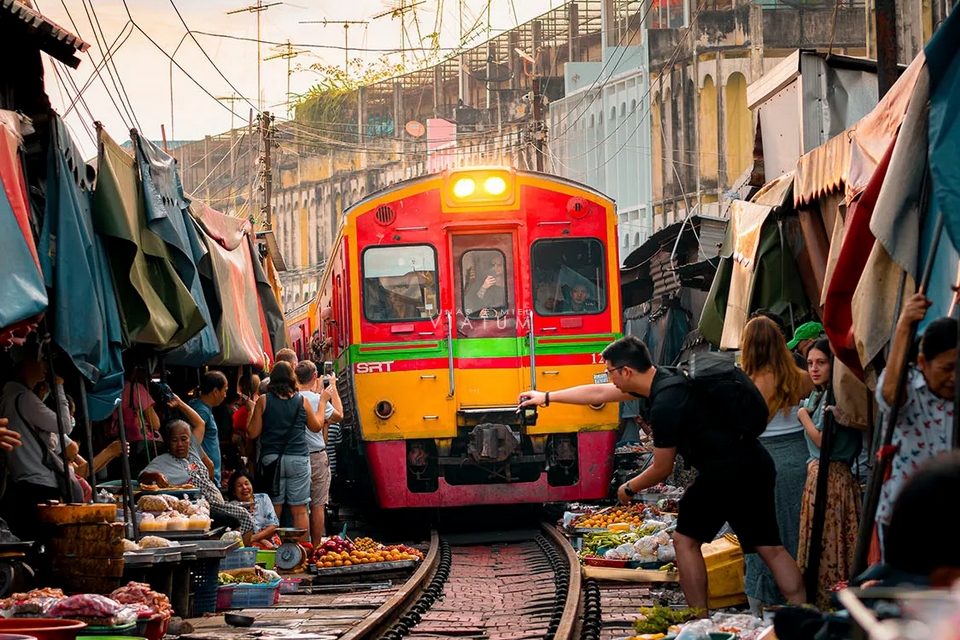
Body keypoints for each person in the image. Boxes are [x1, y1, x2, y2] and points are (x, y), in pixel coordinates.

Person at [518, 336, 806, 613]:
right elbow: (598, 394)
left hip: (723, 473)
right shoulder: (668, 377)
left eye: (610, 373)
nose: (609, 380)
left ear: (627, 371)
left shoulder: (665, 404)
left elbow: (661, 467)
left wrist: (628, 488)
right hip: (754, 463)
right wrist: (545, 397)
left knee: (685, 541)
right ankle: (805, 611)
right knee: (771, 548)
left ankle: (698, 620)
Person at [739, 316, 814, 610]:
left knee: (763, 540)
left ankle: (763, 608)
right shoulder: (802, 377)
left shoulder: (745, 384)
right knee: (800, 532)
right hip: (802, 459)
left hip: (761, 462)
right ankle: (802, 601)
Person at [873, 293, 956, 560]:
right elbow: (888, 394)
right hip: (908, 518)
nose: (954, 378)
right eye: (947, 368)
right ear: (923, 363)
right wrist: (904, 325)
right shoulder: (907, 388)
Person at [795, 339, 862, 609]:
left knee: (832, 548)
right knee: (818, 549)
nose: (814, 369)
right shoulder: (818, 395)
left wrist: (803, 416)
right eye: (810, 363)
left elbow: (823, 442)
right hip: (817, 479)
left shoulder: (839, 397)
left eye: (821, 362)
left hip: (834, 482)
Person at [139, 420, 255, 544]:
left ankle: (243, 552)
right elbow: (142, 477)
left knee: (246, 513)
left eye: (184, 439)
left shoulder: (193, 451)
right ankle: (240, 554)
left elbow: (199, 422)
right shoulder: (162, 461)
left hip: (218, 503)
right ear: (168, 442)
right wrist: (156, 476)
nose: (180, 444)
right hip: (198, 507)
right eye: (174, 440)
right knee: (241, 516)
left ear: (190, 440)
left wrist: (178, 403)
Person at [0, 348, 75, 540]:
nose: (45, 366)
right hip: (37, 485)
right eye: (40, 360)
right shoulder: (23, 397)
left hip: (22, 483)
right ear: (24, 363)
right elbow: (64, 425)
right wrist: (58, 387)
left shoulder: (10, 395)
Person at [246, 361, 325, 541]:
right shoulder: (302, 401)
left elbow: (252, 432)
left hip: (271, 460)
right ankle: (302, 553)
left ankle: (275, 551)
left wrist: (252, 410)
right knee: (299, 510)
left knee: (275, 509)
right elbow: (316, 427)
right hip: (298, 459)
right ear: (292, 378)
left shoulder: (264, 401)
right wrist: (321, 404)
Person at [295, 361, 342, 543]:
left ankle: (301, 547)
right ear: (315, 377)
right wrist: (332, 388)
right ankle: (314, 547)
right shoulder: (315, 400)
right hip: (316, 457)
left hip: (297, 456)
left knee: (299, 507)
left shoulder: (292, 398)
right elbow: (338, 415)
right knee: (317, 505)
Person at [188, 371, 228, 486]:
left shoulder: (203, 408)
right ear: (215, 391)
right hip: (205, 475)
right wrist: (208, 463)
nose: (225, 395)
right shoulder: (201, 410)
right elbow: (193, 442)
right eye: (224, 391)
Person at [227, 469, 280, 549]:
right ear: (234, 491)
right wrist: (258, 540)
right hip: (248, 543)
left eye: (246, 483)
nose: (244, 487)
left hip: (269, 539)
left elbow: (273, 525)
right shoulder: (233, 506)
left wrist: (257, 538)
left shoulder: (263, 498)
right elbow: (238, 534)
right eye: (239, 485)